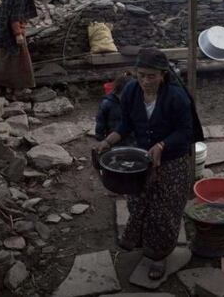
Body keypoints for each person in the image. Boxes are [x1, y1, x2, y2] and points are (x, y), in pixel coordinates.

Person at [96, 48, 194, 280]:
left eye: (151, 76)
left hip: (173, 162)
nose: (145, 81)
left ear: (163, 74)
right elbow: (126, 125)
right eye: (141, 75)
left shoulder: (176, 97)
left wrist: (162, 145)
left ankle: (159, 256)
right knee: (138, 203)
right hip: (143, 159)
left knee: (163, 212)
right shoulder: (131, 91)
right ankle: (141, 242)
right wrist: (108, 141)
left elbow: (186, 132)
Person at [0, 0, 38, 92]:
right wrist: (18, 34)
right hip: (10, 32)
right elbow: (15, 18)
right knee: (18, 59)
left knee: (4, 58)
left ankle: (4, 84)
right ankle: (18, 86)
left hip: (1, 30)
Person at [94, 74, 133, 144]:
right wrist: (100, 137)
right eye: (124, 96)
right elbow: (100, 122)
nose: (127, 99)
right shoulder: (107, 104)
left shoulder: (133, 103)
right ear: (116, 92)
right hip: (112, 138)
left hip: (130, 139)